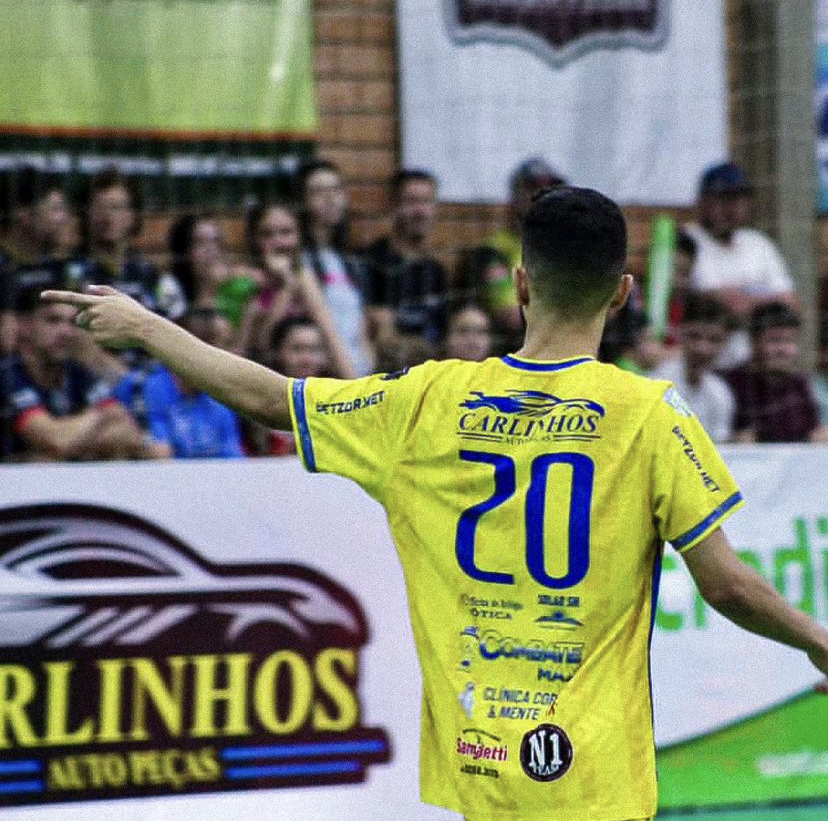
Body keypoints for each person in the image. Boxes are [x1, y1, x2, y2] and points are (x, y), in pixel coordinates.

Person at [44, 186, 828, 821]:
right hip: (594, 780)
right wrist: (816, 640)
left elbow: (272, 398)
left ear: (521, 285)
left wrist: (148, 325)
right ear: (623, 293)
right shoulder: (653, 412)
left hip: (482, 761)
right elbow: (729, 585)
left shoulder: (431, 397)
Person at [6, 289, 167, 461]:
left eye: (72, 323)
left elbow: (127, 430)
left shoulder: (76, 372)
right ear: (25, 326)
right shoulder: (8, 376)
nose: (66, 332)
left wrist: (71, 440)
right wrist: (101, 415)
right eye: (52, 320)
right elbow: (56, 441)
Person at [683, 161, 796, 367]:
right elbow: (714, 304)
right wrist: (763, 300)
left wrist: (740, 298)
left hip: (756, 370)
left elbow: (790, 304)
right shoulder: (688, 240)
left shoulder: (758, 242)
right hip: (708, 365)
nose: (732, 207)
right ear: (704, 201)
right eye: (724, 199)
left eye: (738, 199)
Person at [239, 200, 355, 376]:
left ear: (300, 235)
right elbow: (256, 346)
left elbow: (330, 335)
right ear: (255, 239)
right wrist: (286, 286)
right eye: (267, 234)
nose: (278, 241)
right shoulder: (246, 282)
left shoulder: (303, 276)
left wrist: (354, 385)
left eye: (286, 232)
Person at [297, 159, 374, 375]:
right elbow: (326, 328)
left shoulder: (351, 262)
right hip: (329, 376)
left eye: (336, 190)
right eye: (319, 192)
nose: (331, 199)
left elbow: (361, 331)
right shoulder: (302, 260)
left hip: (361, 372)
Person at [142, 308, 243, 459]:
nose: (236, 354)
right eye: (226, 344)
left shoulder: (221, 399)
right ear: (197, 346)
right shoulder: (150, 387)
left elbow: (234, 458)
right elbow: (160, 453)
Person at [362, 169, 448, 348]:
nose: (420, 211)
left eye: (426, 202)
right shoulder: (370, 261)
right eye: (411, 202)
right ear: (393, 206)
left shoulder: (437, 271)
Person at [720, 302, 825, 443]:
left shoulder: (801, 385)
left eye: (790, 341)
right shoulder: (729, 384)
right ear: (754, 342)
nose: (783, 350)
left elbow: (814, 434)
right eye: (775, 341)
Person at [649, 295, 735, 442]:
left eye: (714, 340)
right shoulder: (655, 383)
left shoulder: (721, 393)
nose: (702, 349)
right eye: (695, 336)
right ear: (680, 334)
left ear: (725, 343)